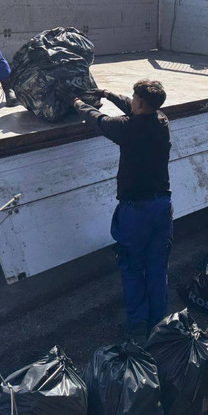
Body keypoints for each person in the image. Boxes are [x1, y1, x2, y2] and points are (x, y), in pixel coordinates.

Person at [73, 80, 172, 344]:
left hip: (135, 211)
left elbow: (99, 120)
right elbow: (131, 106)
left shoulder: (126, 128)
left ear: (141, 102)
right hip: (162, 207)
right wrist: (108, 94)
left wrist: (78, 104)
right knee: (157, 266)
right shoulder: (161, 120)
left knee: (132, 267)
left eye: (133, 97)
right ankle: (159, 323)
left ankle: (138, 326)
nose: (131, 100)